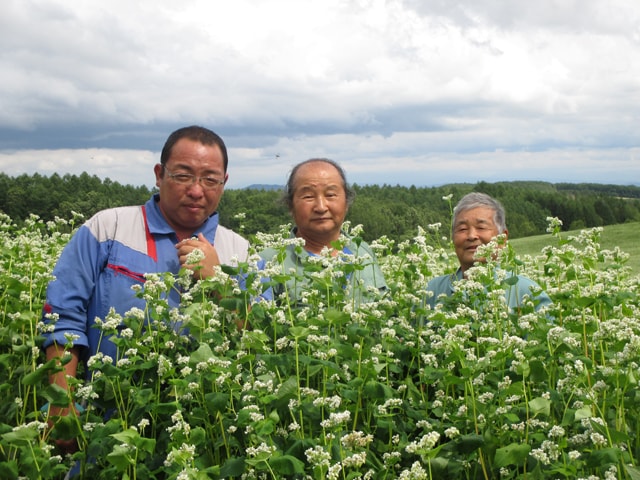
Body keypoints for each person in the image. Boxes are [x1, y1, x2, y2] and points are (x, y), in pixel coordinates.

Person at [41, 125, 261, 453]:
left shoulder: (239, 251)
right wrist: (63, 407)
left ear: (224, 183)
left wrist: (219, 281)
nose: (197, 190)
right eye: (183, 176)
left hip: (206, 435)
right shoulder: (107, 228)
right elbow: (63, 320)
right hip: (104, 428)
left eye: (210, 179)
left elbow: (258, 339)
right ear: (159, 175)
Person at [259, 158, 387, 304]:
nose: (321, 207)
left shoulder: (362, 250)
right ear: (290, 206)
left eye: (330, 195)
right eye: (308, 196)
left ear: (346, 202)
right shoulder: (268, 262)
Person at [425, 192, 552, 313]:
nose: (471, 236)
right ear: (453, 238)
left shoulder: (526, 292)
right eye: (462, 229)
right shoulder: (433, 291)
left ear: (502, 238)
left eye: (481, 227)